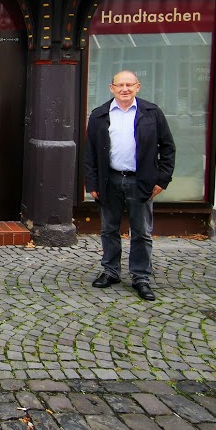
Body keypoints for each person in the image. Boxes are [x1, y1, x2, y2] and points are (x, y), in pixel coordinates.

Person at [84, 70, 175, 301]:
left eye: (129, 85)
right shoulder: (99, 115)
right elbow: (90, 154)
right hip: (110, 180)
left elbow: (167, 148)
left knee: (142, 232)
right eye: (120, 85)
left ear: (138, 87)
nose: (124, 89)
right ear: (111, 88)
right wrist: (92, 182)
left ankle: (141, 277)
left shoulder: (152, 113)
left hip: (141, 181)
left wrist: (161, 179)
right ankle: (111, 271)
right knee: (109, 229)